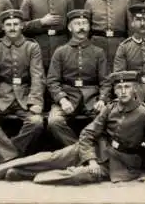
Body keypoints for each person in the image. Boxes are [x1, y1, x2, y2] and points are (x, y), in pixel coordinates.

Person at [0, 70, 145, 184]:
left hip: (120, 164)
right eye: (119, 88)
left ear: (135, 90)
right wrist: (89, 158)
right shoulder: (110, 108)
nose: (123, 92)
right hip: (98, 149)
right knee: (50, 157)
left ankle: (20, 174)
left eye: (127, 87)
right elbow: (89, 133)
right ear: (114, 90)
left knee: (74, 176)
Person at [0, 9, 45, 164]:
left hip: (24, 98)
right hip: (1, 97)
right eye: (8, 25)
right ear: (3, 28)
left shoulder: (32, 47)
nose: (12, 28)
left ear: (21, 26)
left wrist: (36, 102)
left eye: (16, 24)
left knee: (36, 122)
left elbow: (38, 76)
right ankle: (13, 157)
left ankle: (6, 152)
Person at [46, 9, 112, 147]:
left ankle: (93, 152)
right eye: (77, 24)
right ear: (70, 28)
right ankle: (76, 149)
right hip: (68, 96)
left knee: (105, 118)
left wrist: (102, 99)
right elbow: (52, 80)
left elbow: (106, 81)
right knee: (54, 122)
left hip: (92, 98)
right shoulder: (60, 52)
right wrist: (62, 100)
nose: (81, 27)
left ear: (89, 27)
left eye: (84, 23)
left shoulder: (98, 52)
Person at [20, 0, 74, 77]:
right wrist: (41, 22)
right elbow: (21, 26)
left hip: (61, 45)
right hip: (39, 47)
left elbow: (72, 26)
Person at [84, 0, 131, 71]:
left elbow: (130, 29)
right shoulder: (91, 3)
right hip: (97, 45)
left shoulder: (125, 1)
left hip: (119, 45)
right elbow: (86, 30)